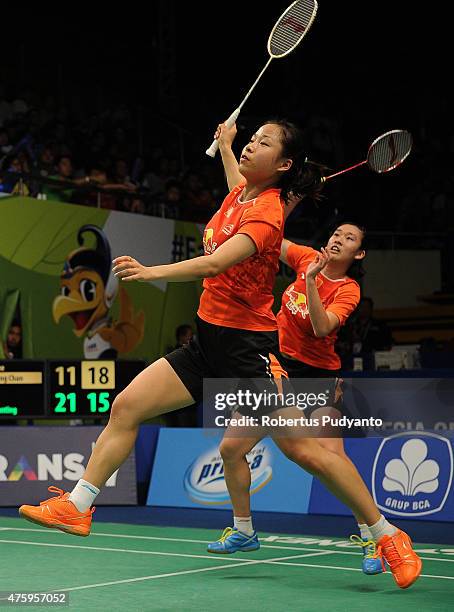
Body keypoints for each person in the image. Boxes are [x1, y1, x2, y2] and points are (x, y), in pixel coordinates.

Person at [18, 118, 421, 590]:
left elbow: (216, 260)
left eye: (262, 144)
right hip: (207, 341)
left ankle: (389, 535)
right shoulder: (243, 194)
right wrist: (228, 146)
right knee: (126, 406)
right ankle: (78, 506)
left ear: (284, 164)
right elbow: (235, 188)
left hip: (246, 351)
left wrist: (152, 273)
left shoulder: (268, 213)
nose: (252, 146)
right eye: (252, 139)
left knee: (303, 449)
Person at [204, 120, 421, 589]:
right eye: (336, 233)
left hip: (319, 377)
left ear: (358, 255)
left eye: (349, 240)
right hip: (278, 367)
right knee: (230, 448)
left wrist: (309, 284)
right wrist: (242, 160)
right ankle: (244, 531)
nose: (337, 240)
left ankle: (372, 535)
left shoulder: (346, 289)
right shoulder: (305, 256)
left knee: (327, 455)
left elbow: (322, 326)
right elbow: (255, 224)